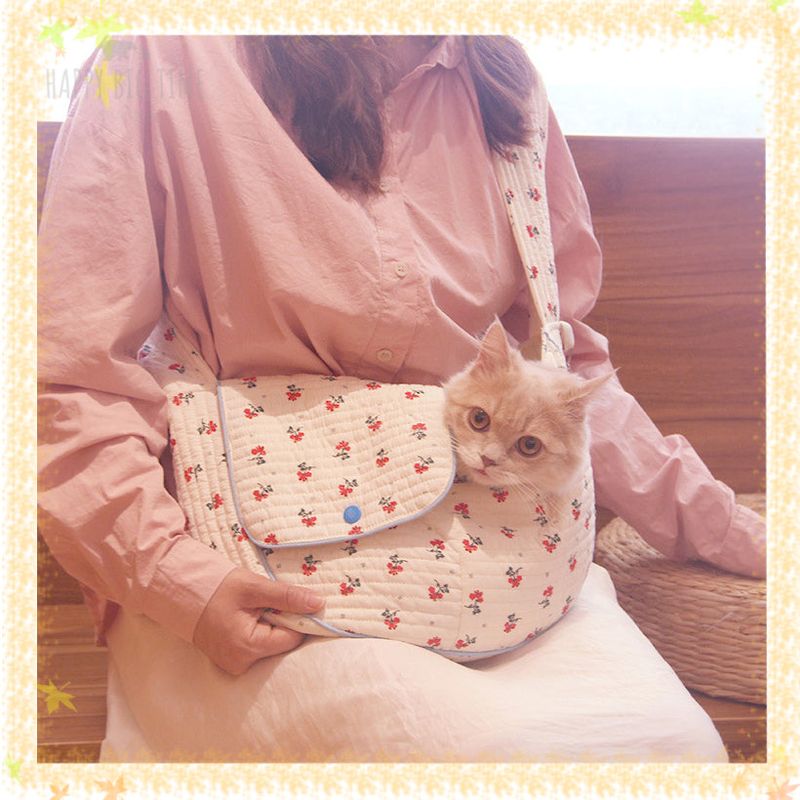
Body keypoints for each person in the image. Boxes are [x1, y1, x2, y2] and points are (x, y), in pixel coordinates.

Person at [37, 34, 764, 762]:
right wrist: (179, 582)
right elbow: (72, 375)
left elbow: (565, 369)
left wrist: (728, 528)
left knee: (672, 747)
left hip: (498, 547)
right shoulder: (162, 53)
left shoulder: (503, 81)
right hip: (237, 560)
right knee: (479, 753)